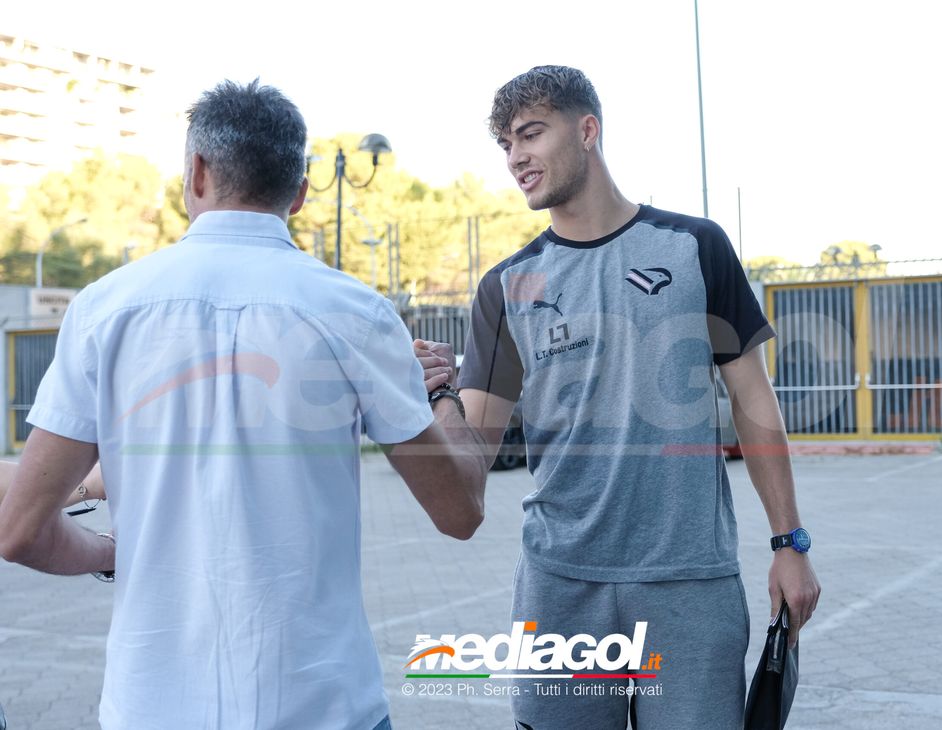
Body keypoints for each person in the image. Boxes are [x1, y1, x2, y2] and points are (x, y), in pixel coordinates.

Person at [0, 79, 486, 730]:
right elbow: (459, 513)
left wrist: (112, 552)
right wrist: (444, 395)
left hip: (152, 706)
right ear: (301, 193)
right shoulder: (356, 313)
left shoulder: (102, 310)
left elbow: (21, 527)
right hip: (322, 705)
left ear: (195, 173)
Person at [417, 65, 820, 728]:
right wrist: (437, 397)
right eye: (505, 145)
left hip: (691, 583)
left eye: (530, 133)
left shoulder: (695, 247)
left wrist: (790, 541)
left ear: (587, 130)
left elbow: (754, 403)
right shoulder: (507, 286)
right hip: (561, 587)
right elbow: (473, 454)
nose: (516, 156)